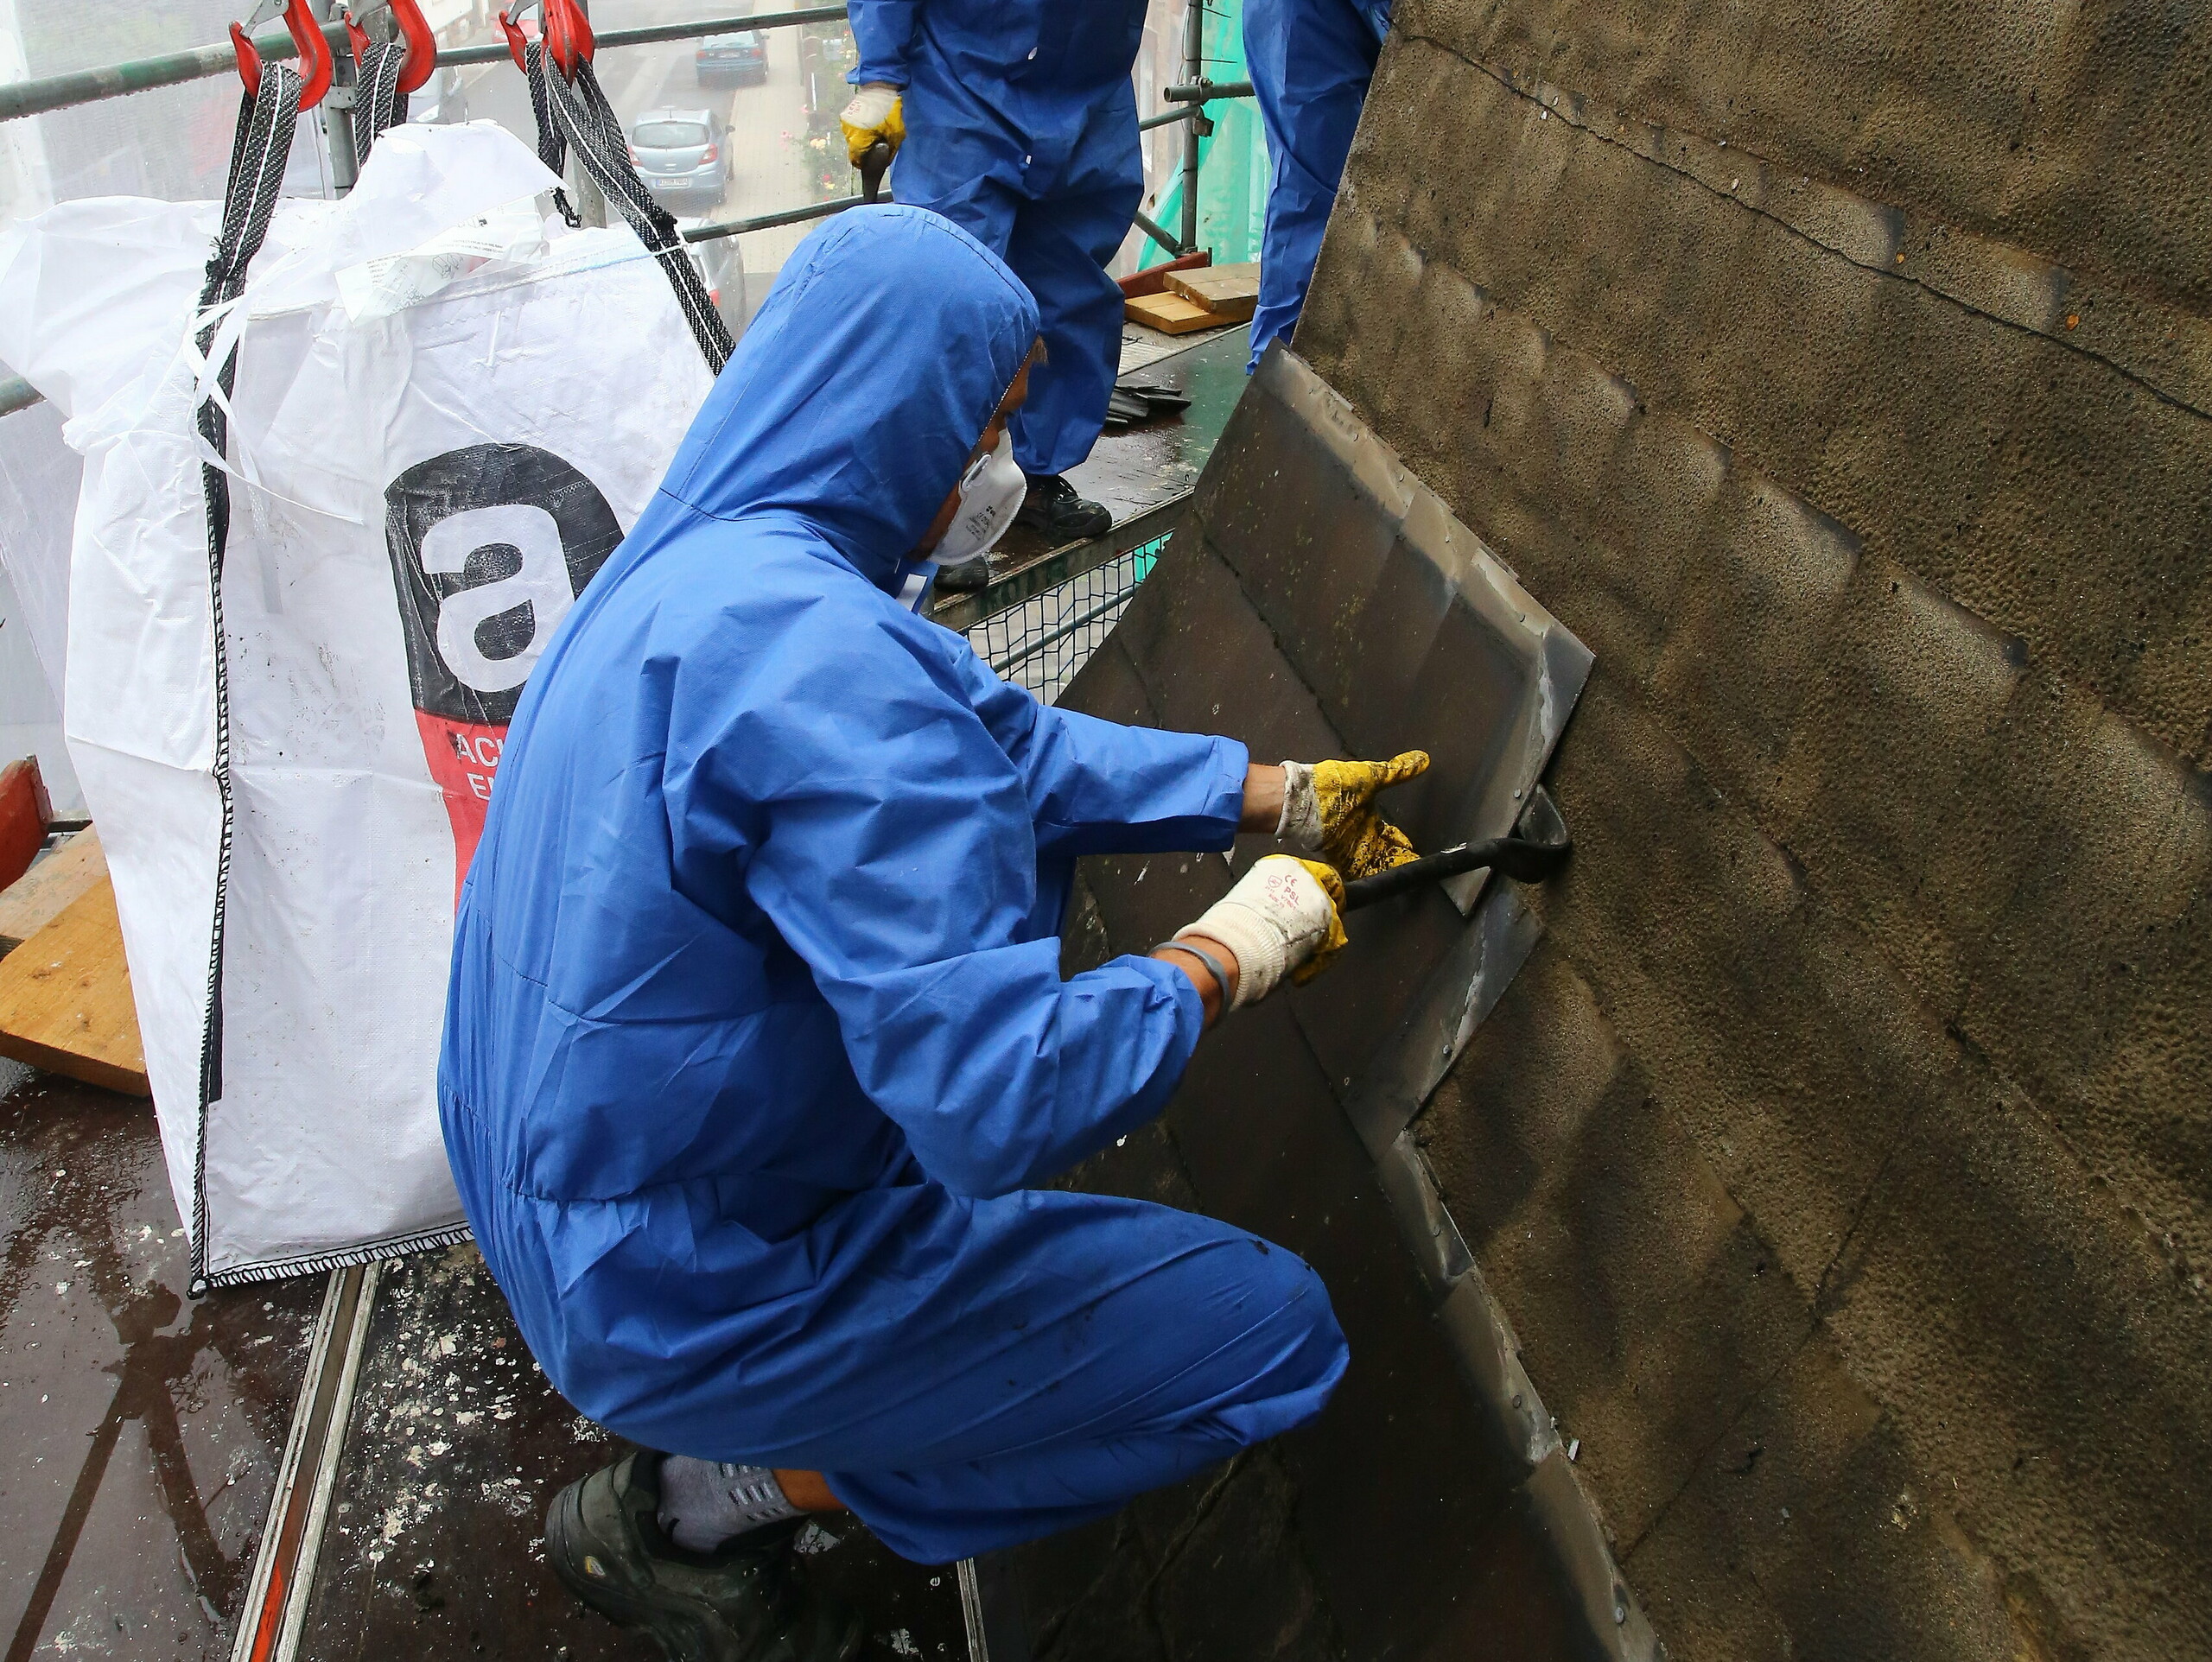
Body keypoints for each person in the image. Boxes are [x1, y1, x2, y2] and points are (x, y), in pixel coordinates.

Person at [437, 206, 1432, 1661]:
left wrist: (1269, 796)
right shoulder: (830, 663)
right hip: (682, 1280)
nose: (1000, 472)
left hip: (567, 1196)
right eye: (990, 426)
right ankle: (716, 1491)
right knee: (1269, 1338)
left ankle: (743, 1436)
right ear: (899, 411)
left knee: (930, 1012)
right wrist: (1227, 953)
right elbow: (1000, 1101)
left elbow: (989, 746)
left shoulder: (699, 574)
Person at [837, 0, 1147, 588]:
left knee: (1071, 291)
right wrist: (880, 75)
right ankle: (928, 509)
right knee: (955, 299)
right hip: (967, 80)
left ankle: (1037, 477)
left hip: (1086, 84)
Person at [1243, 0, 1394, 369]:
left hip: (1293, 20)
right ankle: (1283, 381)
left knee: (1305, 190)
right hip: (1303, 21)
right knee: (1311, 197)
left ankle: (1280, 378)